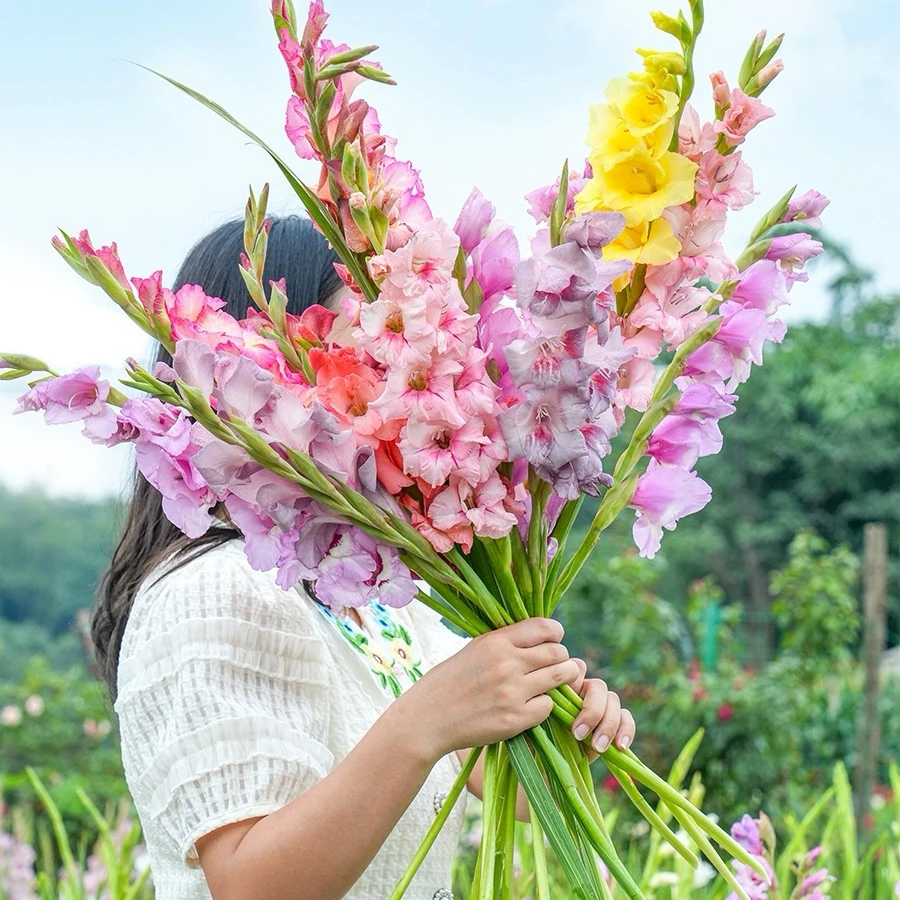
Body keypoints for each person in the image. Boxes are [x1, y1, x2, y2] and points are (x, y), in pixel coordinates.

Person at [90, 215, 637, 900]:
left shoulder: (363, 592)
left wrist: (554, 735)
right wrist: (424, 720)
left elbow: (496, 787)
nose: (383, 388)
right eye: (356, 355)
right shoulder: (214, 589)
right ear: (250, 373)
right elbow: (251, 886)